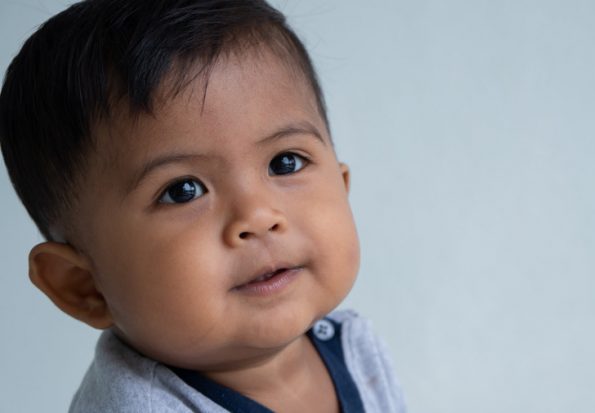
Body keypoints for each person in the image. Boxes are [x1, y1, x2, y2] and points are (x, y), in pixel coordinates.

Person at [0, 1, 406, 412]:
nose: (259, 216)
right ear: (84, 286)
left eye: (285, 162)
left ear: (342, 184)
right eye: (184, 190)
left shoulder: (353, 346)